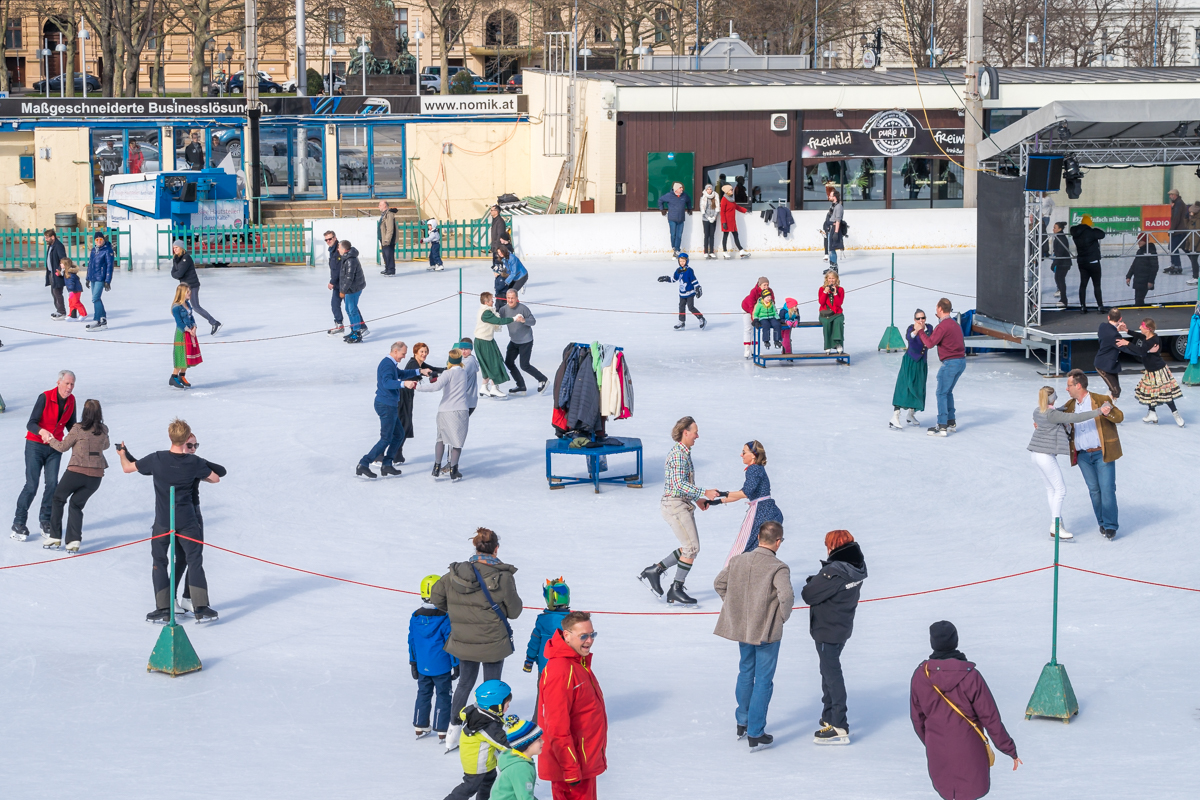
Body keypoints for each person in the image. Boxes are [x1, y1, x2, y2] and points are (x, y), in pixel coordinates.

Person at [117, 418, 220, 623]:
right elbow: (216, 478)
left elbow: (127, 468)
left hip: (163, 520)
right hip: (187, 520)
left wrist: (122, 455)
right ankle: (200, 606)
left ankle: (164, 607)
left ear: (170, 436)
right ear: (186, 438)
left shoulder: (157, 458)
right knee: (194, 559)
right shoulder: (193, 462)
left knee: (159, 560)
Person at [430, 527, 523, 752]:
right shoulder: (503, 577)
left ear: (475, 547)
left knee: (464, 682)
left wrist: (459, 614)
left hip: (464, 640)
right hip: (493, 641)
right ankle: (490, 730)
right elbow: (514, 611)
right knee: (491, 686)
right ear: (496, 549)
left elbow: (436, 597)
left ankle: (453, 731)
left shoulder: (454, 575)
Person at [910, 621, 1021, 800]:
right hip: (970, 750)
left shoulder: (920, 675)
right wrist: (1009, 749)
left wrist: (932, 742)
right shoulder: (970, 676)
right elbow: (990, 717)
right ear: (956, 641)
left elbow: (918, 719)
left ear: (932, 642)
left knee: (948, 793)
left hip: (938, 752)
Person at [712, 520, 792, 753]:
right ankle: (756, 732)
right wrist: (781, 618)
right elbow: (786, 596)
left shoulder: (738, 560)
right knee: (763, 680)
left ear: (758, 538)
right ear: (778, 541)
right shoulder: (778, 567)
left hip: (744, 629)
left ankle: (743, 721)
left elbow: (719, 584)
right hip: (766, 630)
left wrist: (735, 607)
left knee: (746, 671)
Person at [639, 416, 720, 605]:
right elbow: (678, 484)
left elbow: (684, 483)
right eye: (695, 432)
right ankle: (675, 588)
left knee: (689, 547)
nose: (697, 436)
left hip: (680, 504)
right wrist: (703, 492)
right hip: (675, 505)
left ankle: (656, 571)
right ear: (686, 432)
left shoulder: (684, 453)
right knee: (691, 548)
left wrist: (698, 499)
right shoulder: (678, 455)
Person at [801, 530, 867, 746]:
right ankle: (829, 714)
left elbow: (808, 594)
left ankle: (839, 725)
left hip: (827, 629)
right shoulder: (857, 566)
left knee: (832, 674)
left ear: (832, 546)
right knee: (827, 670)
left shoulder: (834, 571)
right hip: (842, 626)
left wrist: (815, 580)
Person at [538, 611, 608, 800]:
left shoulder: (578, 663)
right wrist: (570, 769)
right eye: (583, 636)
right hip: (572, 768)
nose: (589, 641)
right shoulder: (561, 670)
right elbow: (556, 726)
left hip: (583, 762)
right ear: (567, 636)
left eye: (592, 634)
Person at [1028, 385, 1111, 541]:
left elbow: (1054, 413)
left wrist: (1064, 407)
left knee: (1051, 489)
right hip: (1045, 456)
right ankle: (1056, 526)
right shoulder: (1052, 415)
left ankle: (1057, 522)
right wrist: (1099, 411)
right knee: (1061, 490)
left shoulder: (1037, 411)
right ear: (1052, 398)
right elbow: (1076, 418)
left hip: (1035, 455)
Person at [12, 371, 76, 541]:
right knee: (32, 485)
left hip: (55, 447)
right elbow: (31, 423)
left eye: (72, 384)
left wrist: (81, 437)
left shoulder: (71, 400)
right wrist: (42, 432)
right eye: (67, 383)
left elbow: (71, 425)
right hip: (35, 445)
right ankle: (18, 522)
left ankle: (46, 521)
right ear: (58, 382)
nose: (69, 387)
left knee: (52, 484)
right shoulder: (45, 397)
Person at [1063, 369, 1124, 540]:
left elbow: (1119, 417)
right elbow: (1056, 420)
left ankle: (1110, 525)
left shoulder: (1100, 399)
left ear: (1078, 386)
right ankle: (1102, 522)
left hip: (1102, 453)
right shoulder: (1069, 406)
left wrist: (1108, 412)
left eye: (1069, 385)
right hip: (1083, 456)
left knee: (1107, 489)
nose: (1067, 389)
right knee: (1094, 491)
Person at [43, 398, 110, 553]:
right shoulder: (104, 429)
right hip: (95, 477)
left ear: (85, 412)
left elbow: (62, 447)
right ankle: (74, 541)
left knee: (58, 498)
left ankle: (54, 536)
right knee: (76, 504)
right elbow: (105, 445)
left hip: (76, 473)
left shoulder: (78, 428)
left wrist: (50, 440)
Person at [356, 341, 429, 479]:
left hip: (390, 404)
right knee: (386, 438)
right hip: (385, 405)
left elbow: (400, 373)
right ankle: (364, 463)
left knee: (399, 434)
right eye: (403, 354)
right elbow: (387, 382)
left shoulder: (391, 364)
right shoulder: (387, 364)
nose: (404, 356)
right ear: (395, 351)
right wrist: (404, 383)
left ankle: (387, 464)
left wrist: (419, 371)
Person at [715, 440, 784, 563]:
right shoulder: (758, 469)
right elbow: (742, 493)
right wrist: (717, 501)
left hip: (761, 512)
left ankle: (738, 570)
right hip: (768, 510)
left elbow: (745, 493)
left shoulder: (753, 469)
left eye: (744, 452)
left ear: (753, 455)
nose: (741, 455)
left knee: (747, 548)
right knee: (758, 549)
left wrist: (722, 493)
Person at [410, 573, 459, 743]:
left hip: (423, 665)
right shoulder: (445, 617)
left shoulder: (415, 616)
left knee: (423, 693)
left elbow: (412, 642)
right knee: (443, 695)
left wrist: (413, 662)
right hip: (441, 666)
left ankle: (420, 724)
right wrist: (456, 664)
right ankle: (442, 728)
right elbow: (450, 643)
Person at [416, 344, 476, 480]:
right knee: (457, 442)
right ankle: (454, 470)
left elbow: (435, 386)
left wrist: (418, 387)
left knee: (441, 439)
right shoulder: (463, 372)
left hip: (445, 411)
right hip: (461, 411)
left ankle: (436, 467)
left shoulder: (447, 373)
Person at [446, 679, 513, 800]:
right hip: (476, 765)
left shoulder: (477, 711)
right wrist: (524, 745)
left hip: (485, 761)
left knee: (489, 781)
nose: (508, 707)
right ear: (495, 706)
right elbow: (505, 744)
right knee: (469, 787)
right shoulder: (487, 725)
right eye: (507, 704)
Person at [1120, 317, 1185, 426]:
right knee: (1150, 393)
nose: (1140, 327)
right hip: (1150, 371)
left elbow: (1140, 351)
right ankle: (1152, 413)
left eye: (1142, 326)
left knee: (1165, 394)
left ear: (1148, 328)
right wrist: (1126, 330)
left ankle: (1176, 415)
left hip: (1159, 371)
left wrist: (1127, 343)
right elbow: (1138, 336)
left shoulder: (1152, 340)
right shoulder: (1149, 337)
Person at [523, 578, 571, 724]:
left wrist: (529, 660)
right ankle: (563, 723)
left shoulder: (542, 620)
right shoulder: (573, 622)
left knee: (542, 695)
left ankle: (538, 722)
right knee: (565, 695)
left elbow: (534, 642)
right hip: (566, 669)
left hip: (545, 668)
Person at [919, 298, 967, 436]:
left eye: (937, 307)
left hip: (950, 363)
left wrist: (921, 331)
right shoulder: (955, 324)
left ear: (940, 309)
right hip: (961, 362)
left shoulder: (943, 326)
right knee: (947, 392)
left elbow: (930, 343)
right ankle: (950, 422)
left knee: (941, 393)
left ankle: (942, 425)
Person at [398, 342, 443, 465]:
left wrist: (450, 368)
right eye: (421, 352)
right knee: (403, 424)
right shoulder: (413, 364)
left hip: (407, 395)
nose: (424, 354)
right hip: (402, 395)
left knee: (405, 425)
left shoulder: (419, 363)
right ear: (415, 352)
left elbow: (433, 369)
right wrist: (426, 373)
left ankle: (397, 453)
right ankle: (394, 453)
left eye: (426, 352)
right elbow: (421, 372)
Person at [891, 309, 933, 430]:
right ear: (915, 320)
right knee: (904, 386)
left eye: (923, 318)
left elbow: (931, 341)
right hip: (910, 361)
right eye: (918, 318)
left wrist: (922, 330)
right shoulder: (911, 328)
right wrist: (916, 330)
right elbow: (909, 337)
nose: (921, 320)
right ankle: (895, 415)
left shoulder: (929, 328)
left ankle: (911, 414)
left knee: (918, 387)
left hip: (922, 362)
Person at [501, 289, 548, 395]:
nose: (510, 300)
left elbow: (533, 321)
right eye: (508, 298)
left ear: (517, 298)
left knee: (524, 365)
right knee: (508, 363)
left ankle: (542, 379)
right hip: (514, 341)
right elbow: (497, 319)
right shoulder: (504, 309)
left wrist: (523, 320)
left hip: (526, 341)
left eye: (512, 298)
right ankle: (521, 385)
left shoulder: (523, 308)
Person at [170, 239, 222, 335]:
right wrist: (176, 274)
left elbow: (179, 273)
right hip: (184, 287)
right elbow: (173, 272)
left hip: (192, 286)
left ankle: (214, 322)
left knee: (195, 307)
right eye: (173, 248)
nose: (174, 249)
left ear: (181, 248)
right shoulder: (176, 258)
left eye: (176, 247)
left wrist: (176, 274)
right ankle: (185, 328)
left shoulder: (186, 258)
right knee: (182, 306)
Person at [492, 718, 544, 800]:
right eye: (539, 740)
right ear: (527, 744)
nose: (543, 742)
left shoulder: (519, 760)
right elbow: (525, 798)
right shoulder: (521, 767)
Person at [474, 292, 513, 397]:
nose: (493, 301)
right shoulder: (486, 313)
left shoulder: (487, 311)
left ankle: (484, 387)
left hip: (485, 340)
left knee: (488, 364)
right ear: (486, 302)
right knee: (494, 363)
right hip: (484, 342)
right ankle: (494, 388)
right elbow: (498, 321)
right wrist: (514, 319)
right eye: (491, 300)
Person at [657, 252, 706, 331]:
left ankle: (701, 318)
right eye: (680, 261)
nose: (682, 263)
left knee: (691, 307)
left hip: (690, 292)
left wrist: (698, 287)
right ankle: (681, 322)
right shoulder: (678, 270)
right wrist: (666, 278)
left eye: (683, 261)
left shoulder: (689, 270)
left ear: (687, 261)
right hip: (682, 293)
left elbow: (694, 280)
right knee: (681, 307)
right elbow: (673, 279)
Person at [1069, 214, 1106, 312]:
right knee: (1097, 285)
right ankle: (1100, 306)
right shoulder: (1091, 232)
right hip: (1093, 261)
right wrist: (1093, 229)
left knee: (1083, 285)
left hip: (1082, 262)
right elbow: (1102, 234)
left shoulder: (1076, 233)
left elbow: (1072, 229)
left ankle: (1083, 306)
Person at [170, 283, 199, 390]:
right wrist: (188, 330)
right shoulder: (176, 307)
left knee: (188, 355)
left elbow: (191, 317)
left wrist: (194, 327)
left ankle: (182, 376)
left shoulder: (187, 304)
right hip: (182, 333)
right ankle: (174, 377)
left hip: (190, 332)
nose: (190, 294)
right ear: (182, 293)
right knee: (181, 355)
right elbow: (179, 323)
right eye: (188, 292)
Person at [338, 239, 367, 343]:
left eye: (339, 247)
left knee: (352, 310)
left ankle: (357, 332)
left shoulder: (350, 260)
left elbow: (349, 278)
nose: (338, 249)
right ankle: (353, 330)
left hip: (354, 288)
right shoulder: (346, 257)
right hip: (350, 288)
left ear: (344, 249)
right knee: (348, 309)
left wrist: (343, 291)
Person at [1094, 309, 1126, 399]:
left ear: (1108, 317)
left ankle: (1106, 405)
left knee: (1114, 389)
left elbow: (1108, 337)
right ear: (1120, 319)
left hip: (1109, 364)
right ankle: (1107, 407)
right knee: (1116, 391)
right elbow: (1124, 347)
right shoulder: (1115, 335)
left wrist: (1116, 330)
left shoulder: (1102, 326)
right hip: (1104, 366)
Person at [85, 232, 114, 331]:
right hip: (93, 277)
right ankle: (103, 319)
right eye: (97, 240)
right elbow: (90, 264)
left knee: (95, 298)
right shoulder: (94, 250)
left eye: (100, 240)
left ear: (103, 240)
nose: (99, 242)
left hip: (101, 278)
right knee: (96, 299)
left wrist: (107, 280)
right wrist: (88, 278)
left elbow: (110, 266)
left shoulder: (107, 250)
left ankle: (97, 319)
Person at [658, 181, 693, 257]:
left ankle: (677, 249)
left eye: (682, 188)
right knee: (673, 234)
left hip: (681, 219)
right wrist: (662, 209)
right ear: (676, 189)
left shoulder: (684, 196)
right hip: (672, 219)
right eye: (680, 188)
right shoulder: (669, 196)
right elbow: (660, 200)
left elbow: (688, 201)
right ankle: (674, 247)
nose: (682, 189)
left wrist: (689, 208)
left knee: (679, 235)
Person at [1125, 234, 1159, 306]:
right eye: (1138, 240)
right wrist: (1129, 276)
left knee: (1139, 300)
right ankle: (1139, 310)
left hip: (1145, 281)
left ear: (1145, 241)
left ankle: (1140, 311)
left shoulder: (1151, 251)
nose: (1138, 242)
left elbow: (1155, 267)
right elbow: (1134, 265)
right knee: (1138, 300)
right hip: (1138, 280)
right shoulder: (1139, 251)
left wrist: (1151, 281)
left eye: (1140, 240)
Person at [719, 183, 750, 259]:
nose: (732, 191)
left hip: (732, 221)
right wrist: (723, 222)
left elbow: (736, 207)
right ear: (727, 191)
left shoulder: (732, 199)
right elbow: (722, 212)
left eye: (732, 189)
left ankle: (741, 251)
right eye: (730, 190)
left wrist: (745, 210)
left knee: (736, 235)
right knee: (725, 236)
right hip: (726, 222)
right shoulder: (724, 199)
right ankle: (725, 252)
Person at [323, 230, 345, 335]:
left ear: (335, 238)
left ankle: (360, 326)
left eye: (330, 239)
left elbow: (338, 268)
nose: (328, 241)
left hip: (344, 283)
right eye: (326, 240)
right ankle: (339, 325)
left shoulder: (338, 250)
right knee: (335, 304)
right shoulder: (332, 250)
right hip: (338, 283)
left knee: (350, 307)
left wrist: (332, 282)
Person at [819, 270, 845, 354]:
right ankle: (827, 345)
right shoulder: (821, 289)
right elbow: (821, 302)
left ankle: (838, 344)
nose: (831, 280)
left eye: (833, 278)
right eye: (829, 278)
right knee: (826, 323)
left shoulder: (840, 290)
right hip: (825, 313)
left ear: (836, 279)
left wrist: (835, 293)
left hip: (837, 313)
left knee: (838, 322)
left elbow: (839, 304)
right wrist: (825, 292)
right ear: (826, 279)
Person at [741, 277, 767, 358]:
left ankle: (756, 350)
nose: (766, 287)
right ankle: (747, 349)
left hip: (759, 311)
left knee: (756, 330)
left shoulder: (769, 291)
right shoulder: (753, 292)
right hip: (747, 309)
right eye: (764, 285)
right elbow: (751, 306)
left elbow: (772, 302)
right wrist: (754, 319)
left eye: (767, 285)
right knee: (748, 328)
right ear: (760, 285)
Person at [44, 229, 67, 319]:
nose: (46, 239)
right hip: (51, 273)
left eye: (47, 237)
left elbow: (63, 259)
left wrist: (60, 270)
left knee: (57, 292)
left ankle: (62, 312)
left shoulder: (58, 246)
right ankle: (58, 310)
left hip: (57, 273)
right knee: (54, 292)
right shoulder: (51, 246)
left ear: (52, 237)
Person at [1049, 221, 1072, 308]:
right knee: (1058, 278)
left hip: (1064, 263)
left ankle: (1064, 300)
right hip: (1061, 262)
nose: (1053, 229)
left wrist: (1054, 263)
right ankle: (1061, 293)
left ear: (1060, 229)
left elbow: (1060, 253)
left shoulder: (1061, 238)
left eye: (1055, 228)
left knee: (1061, 280)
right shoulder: (1058, 236)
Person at [1166, 188, 1187, 274]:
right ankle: (1174, 264)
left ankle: (1177, 266)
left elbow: (1176, 218)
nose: (1170, 196)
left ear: (1175, 195)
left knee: (1173, 247)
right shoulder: (1177, 203)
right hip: (1178, 229)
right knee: (1173, 247)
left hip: (1179, 230)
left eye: (1171, 195)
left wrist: (1172, 230)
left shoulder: (1178, 204)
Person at [699, 183, 719, 259]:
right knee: (706, 235)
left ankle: (711, 251)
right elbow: (702, 209)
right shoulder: (703, 197)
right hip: (705, 219)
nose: (709, 190)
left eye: (710, 189)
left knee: (712, 235)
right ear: (706, 190)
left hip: (713, 218)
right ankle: (706, 251)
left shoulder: (715, 196)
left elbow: (717, 207)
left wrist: (714, 217)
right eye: (708, 189)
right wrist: (708, 217)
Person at [826, 190, 845, 269]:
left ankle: (834, 266)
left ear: (835, 197)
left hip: (834, 229)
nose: (829, 197)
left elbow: (838, 220)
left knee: (832, 248)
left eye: (830, 196)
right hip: (830, 229)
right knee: (830, 248)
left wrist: (836, 232)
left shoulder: (838, 207)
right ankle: (831, 265)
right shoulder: (833, 206)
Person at [378, 199, 397, 276]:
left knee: (389, 254)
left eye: (380, 205)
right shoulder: (384, 214)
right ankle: (387, 268)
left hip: (387, 239)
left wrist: (387, 239)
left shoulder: (389, 215)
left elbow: (390, 229)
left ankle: (391, 269)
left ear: (385, 205)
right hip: (383, 238)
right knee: (385, 254)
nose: (379, 206)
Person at [1187, 201, 1200, 285]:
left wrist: (1194, 245)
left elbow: (1197, 233)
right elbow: (1188, 227)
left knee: (1194, 259)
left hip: (1197, 244)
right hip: (1194, 243)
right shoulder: (1193, 219)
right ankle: (1195, 276)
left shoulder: (1198, 220)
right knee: (1193, 259)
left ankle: (1196, 277)